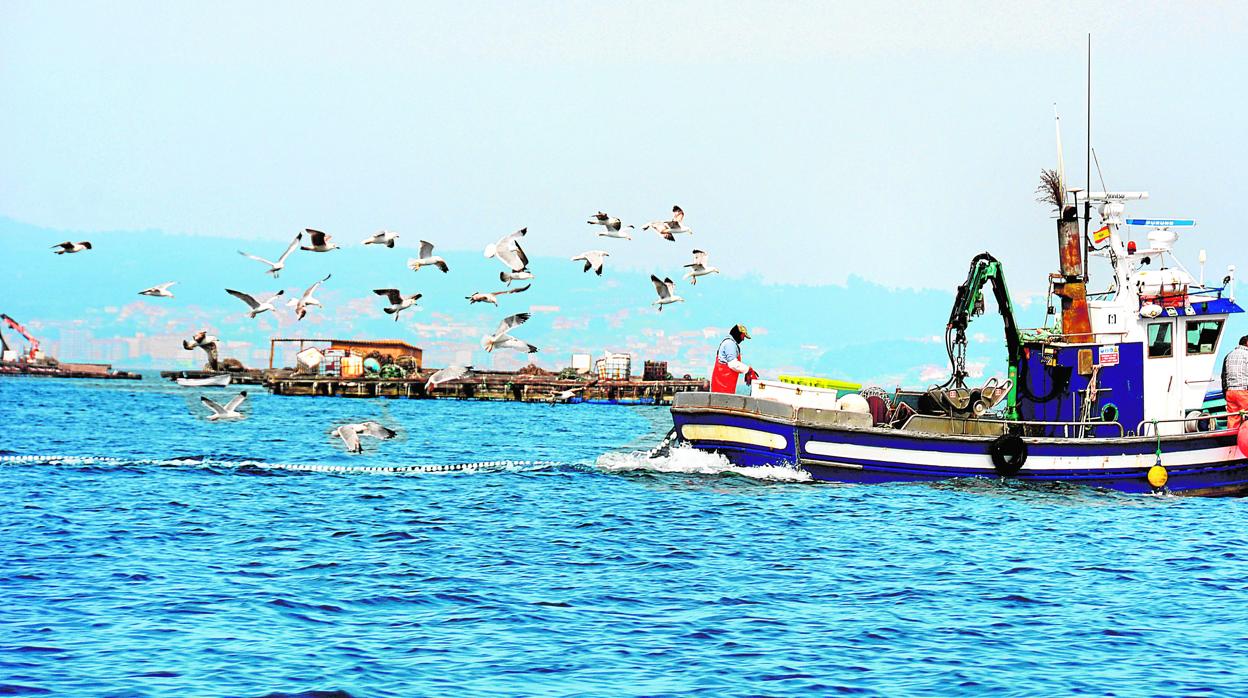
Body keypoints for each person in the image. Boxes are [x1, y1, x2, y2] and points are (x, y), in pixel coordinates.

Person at [712, 324, 758, 394]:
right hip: (722, 388)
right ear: (738, 334)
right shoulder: (730, 344)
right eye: (743, 336)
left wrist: (746, 371)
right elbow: (733, 364)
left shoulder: (731, 343)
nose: (743, 339)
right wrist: (748, 370)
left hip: (726, 388)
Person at [1224, 334, 1248, 429]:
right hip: (1243, 391)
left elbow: (1224, 375)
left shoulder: (1229, 355)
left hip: (1230, 392)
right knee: (1246, 416)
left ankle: (1232, 437)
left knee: (1233, 417)